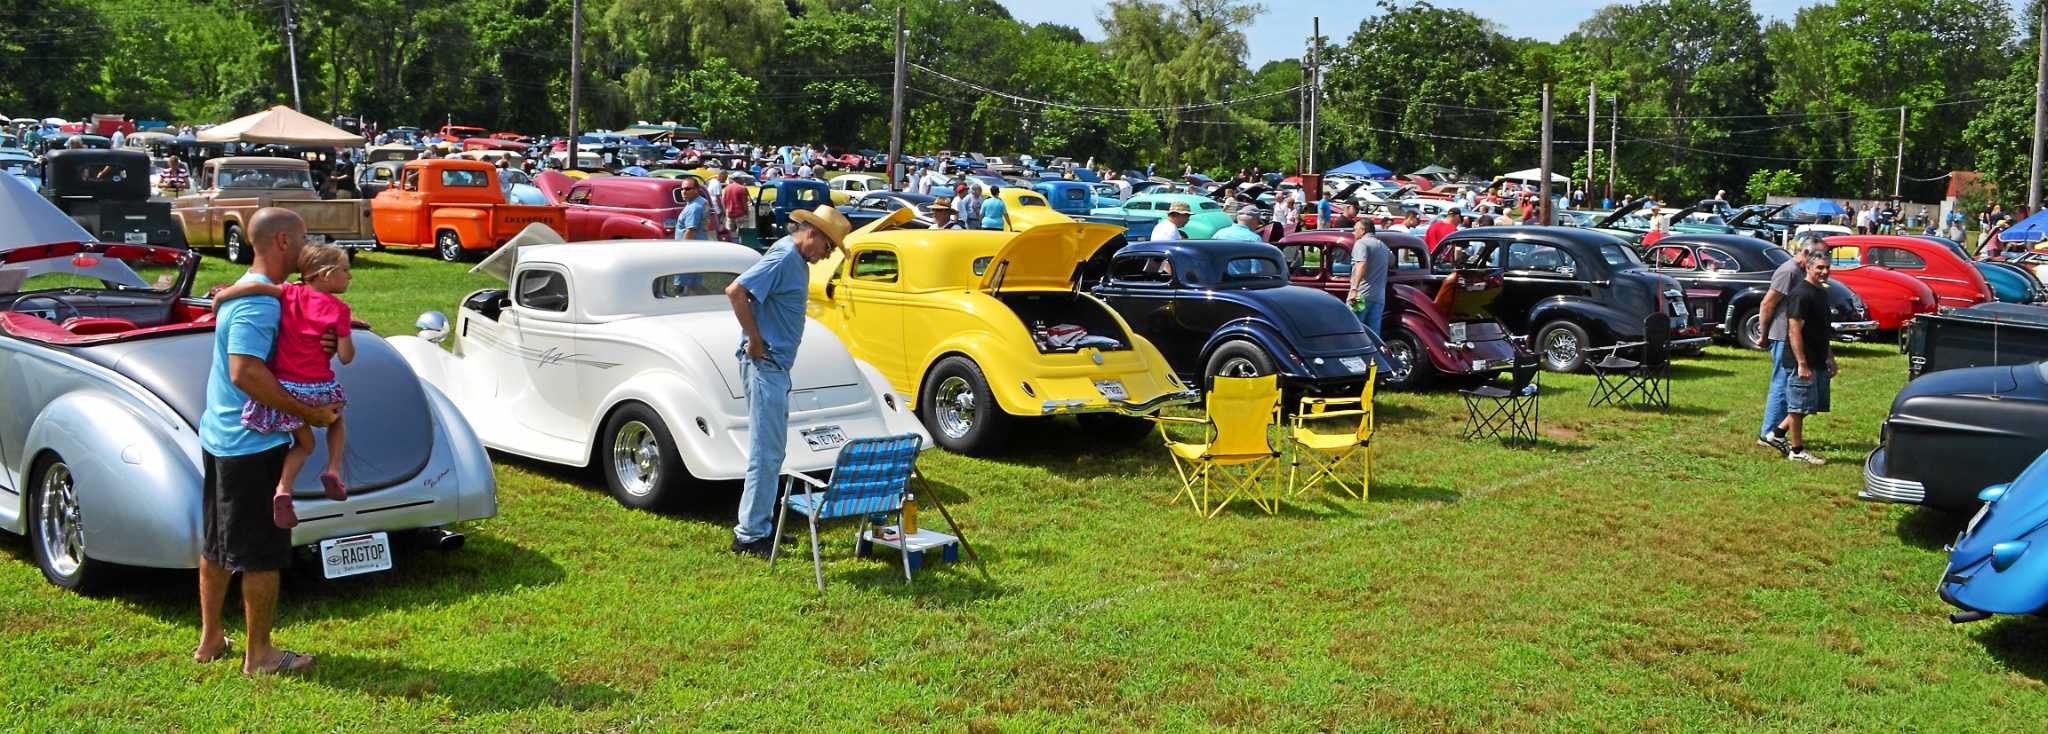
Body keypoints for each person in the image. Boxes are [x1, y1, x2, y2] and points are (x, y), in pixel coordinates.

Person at [196, 208, 340, 676]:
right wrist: (307, 413)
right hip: (251, 443)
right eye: (302, 238)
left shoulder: (257, 291)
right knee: (261, 553)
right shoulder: (258, 304)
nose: (307, 247)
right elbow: (245, 372)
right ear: (282, 241)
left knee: (217, 542)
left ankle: (211, 639)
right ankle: (259, 655)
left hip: (222, 434)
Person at [724, 206, 849, 557]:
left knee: (772, 450)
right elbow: (735, 291)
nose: (827, 255)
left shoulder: (794, 259)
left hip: (774, 366)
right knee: (766, 451)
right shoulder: (783, 257)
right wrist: (754, 338)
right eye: (828, 247)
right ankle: (749, 535)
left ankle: (760, 526)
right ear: (813, 234)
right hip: (766, 365)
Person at [211, 244, 356, 529]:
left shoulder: (290, 293)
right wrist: (344, 335)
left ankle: (283, 489)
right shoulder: (340, 310)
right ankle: (333, 469)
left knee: (304, 444)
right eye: (345, 270)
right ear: (326, 274)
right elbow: (346, 357)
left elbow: (256, 288)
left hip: (287, 388)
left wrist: (223, 296)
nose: (349, 276)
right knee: (337, 421)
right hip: (319, 387)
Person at [1755, 235, 1828, 456]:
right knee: (1781, 384)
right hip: (1782, 335)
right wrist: (1763, 334)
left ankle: (1778, 431)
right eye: (1817, 255)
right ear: (1805, 254)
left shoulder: (1806, 275)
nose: (1822, 260)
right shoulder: (1789, 271)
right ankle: (1768, 433)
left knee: (1792, 386)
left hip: (1800, 337)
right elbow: (1767, 304)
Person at [1775, 254, 1838, 465]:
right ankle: (1797, 450)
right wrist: (1801, 363)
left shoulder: (1821, 292)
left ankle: (1777, 434)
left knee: (1809, 403)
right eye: (1819, 267)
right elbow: (1794, 331)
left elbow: (1822, 330)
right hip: (1802, 361)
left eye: (1827, 267)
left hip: (1817, 358)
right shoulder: (1801, 294)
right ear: (1809, 268)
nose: (1824, 272)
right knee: (1798, 406)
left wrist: (1830, 357)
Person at [1349, 220, 1393, 371]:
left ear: (1363, 230)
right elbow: (1392, 260)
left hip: (1361, 295)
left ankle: (1356, 366)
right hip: (1378, 296)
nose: (1353, 233)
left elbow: (1361, 264)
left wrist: (1354, 288)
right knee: (1373, 335)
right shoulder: (1382, 246)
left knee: (1355, 330)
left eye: (1355, 229)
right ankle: (1374, 367)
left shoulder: (1361, 244)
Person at [720, 172, 752, 245]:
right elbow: (744, 203)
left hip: (730, 214)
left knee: (730, 235)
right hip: (741, 215)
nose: (743, 180)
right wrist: (747, 213)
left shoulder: (726, 188)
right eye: (742, 178)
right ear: (738, 179)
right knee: (743, 235)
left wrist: (726, 212)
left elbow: (723, 202)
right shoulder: (742, 188)